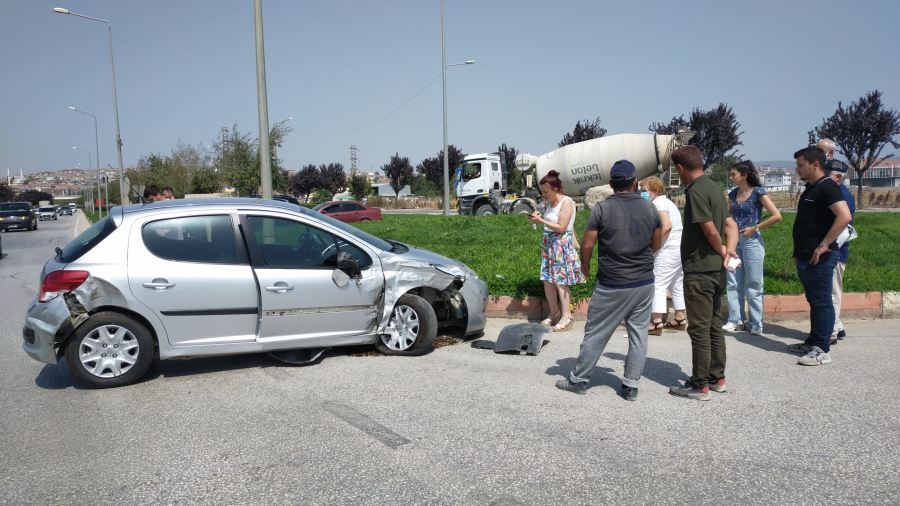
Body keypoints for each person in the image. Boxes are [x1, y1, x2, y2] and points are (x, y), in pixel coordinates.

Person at [555, 160, 661, 401]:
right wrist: (645, 257)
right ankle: (631, 386)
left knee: (596, 332)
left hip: (612, 283)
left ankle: (579, 380)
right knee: (638, 334)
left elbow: (588, 244)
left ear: (612, 184)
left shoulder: (602, 209)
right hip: (644, 282)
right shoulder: (649, 208)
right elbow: (657, 239)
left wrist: (584, 267)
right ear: (635, 182)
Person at [668, 145, 733, 401]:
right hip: (715, 271)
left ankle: (699, 384)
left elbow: (709, 229)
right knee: (715, 325)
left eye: (676, 170)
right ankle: (717, 377)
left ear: (681, 168)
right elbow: (728, 224)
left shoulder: (695, 192)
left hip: (700, 269)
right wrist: (727, 252)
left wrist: (720, 250)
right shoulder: (714, 188)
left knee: (699, 328)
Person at [788, 146, 852, 366]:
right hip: (805, 255)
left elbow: (844, 216)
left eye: (800, 164)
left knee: (823, 301)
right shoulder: (812, 188)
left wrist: (824, 244)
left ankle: (822, 349)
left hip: (821, 257)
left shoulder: (827, 187)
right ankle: (813, 340)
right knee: (814, 300)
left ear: (815, 164)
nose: (797, 169)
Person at [722, 160, 782, 335]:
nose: (731, 177)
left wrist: (755, 228)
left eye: (733, 174)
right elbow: (729, 218)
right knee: (733, 281)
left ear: (744, 175)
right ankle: (736, 319)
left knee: (754, 283)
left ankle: (756, 322)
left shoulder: (758, 193)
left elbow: (776, 215)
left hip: (752, 240)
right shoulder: (733, 194)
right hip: (735, 240)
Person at [527, 170, 585, 331]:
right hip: (549, 244)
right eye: (542, 192)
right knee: (548, 280)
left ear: (555, 188)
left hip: (560, 244)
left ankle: (567, 316)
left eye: (546, 191)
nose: (544, 195)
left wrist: (541, 221)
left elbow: (561, 227)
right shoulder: (550, 203)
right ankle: (553, 312)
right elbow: (549, 221)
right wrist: (538, 217)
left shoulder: (566, 202)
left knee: (561, 281)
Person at [817, 139, 856, 345]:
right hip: (827, 249)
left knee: (831, 292)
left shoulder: (842, 195)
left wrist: (824, 244)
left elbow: (844, 223)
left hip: (834, 251)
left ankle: (830, 331)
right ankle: (837, 326)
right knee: (828, 290)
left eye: (821, 151)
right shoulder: (828, 189)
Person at [639, 176, 687, 335]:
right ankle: (680, 317)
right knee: (676, 283)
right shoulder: (668, 202)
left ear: (654, 190)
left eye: (644, 190)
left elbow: (666, 226)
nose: (642, 193)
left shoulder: (658, 204)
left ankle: (656, 321)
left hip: (667, 250)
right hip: (678, 248)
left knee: (658, 284)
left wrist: (653, 245)